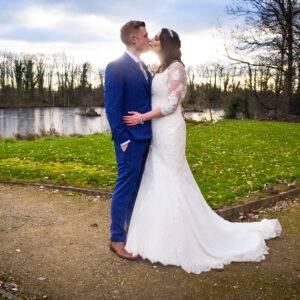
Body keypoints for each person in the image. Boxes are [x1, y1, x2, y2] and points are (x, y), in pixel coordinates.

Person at [123, 28, 282, 274]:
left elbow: (172, 104)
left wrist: (142, 117)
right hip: (158, 130)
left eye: (155, 38)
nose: (152, 40)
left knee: (171, 176)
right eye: (150, 37)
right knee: (157, 175)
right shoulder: (160, 68)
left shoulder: (177, 68)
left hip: (169, 129)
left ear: (165, 43)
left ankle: (179, 240)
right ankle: (154, 236)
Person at [104, 21, 152, 260]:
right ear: (134, 39)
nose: (148, 39)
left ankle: (132, 230)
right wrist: (123, 140)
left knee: (136, 188)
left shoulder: (144, 66)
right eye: (145, 35)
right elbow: (112, 107)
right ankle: (116, 239)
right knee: (124, 188)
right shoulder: (116, 67)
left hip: (145, 137)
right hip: (130, 140)